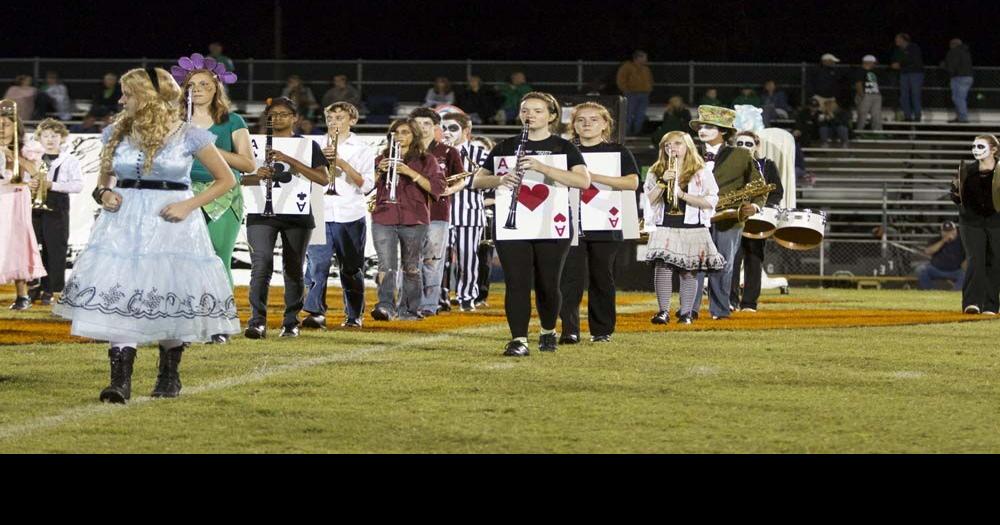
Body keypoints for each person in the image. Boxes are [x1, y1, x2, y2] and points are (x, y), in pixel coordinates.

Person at [53, 67, 240, 403]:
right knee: (122, 291)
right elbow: (103, 180)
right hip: (123, 223)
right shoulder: (116, 132)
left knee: (168, 289)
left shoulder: (188, 134)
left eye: (128, 93)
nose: (121, 100)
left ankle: (169, 375)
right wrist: (104, 194)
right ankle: (119, 382)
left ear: (148, 96)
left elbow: (226, 179)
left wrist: (188, 205)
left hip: (171, 221)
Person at [472, 92, 591, 356]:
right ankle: (519, 340)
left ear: (551, 116)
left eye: (538, 111)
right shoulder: (505, 147)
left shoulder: (564, 147)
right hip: (511, 225)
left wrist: (542, 167)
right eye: (526, 110)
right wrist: (501, 179)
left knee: (548, 283)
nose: (530, 115)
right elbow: (478, 180)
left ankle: (548, 330)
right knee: (516, 283)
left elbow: (583, 181)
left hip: (552, 224)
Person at [173, 54, 254, 344]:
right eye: (191, 85)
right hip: (183, 194)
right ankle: (186, 324)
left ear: (216, 88)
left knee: (219, 260)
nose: (197, 89)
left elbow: (248, 164)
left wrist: (206, 148)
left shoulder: (232, 121)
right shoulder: (175, 122)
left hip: (223, 194)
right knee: (182, 261)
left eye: (204, 84)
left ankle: (220, 324)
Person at [241, 97, 331, 339]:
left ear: (295, 118)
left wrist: (289, 159)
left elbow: (323, 179)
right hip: (260, 212)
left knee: (293, 268)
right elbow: (239, 178)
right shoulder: (251, 143)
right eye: (273, 114)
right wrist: (257, 176)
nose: (277, 118)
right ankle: (257, 321)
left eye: (283, 114)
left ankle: (291, 322)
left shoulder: (308, 145)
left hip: (297, 215)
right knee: (261, 265)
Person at [559, 102, 640, 343]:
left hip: (606, 222)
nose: (587, 124)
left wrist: (591, 177)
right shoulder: (563, 151)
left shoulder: (618, 151)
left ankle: (602, 330)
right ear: (573, 125)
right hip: (569, 222)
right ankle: (570, 330)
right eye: (581, 120)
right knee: (569, 279)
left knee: (602, 278)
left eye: (594, 119)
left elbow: (632, 183)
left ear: (605, 124)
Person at [302, 102, 375, 329]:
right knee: (316, 265)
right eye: (330, 118)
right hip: (319, 210)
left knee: (351, 268)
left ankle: (354, 315)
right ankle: (315, 312)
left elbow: (366, 186)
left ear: (352, 121)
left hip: (350, 214)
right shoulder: (314, 144)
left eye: (340, 118)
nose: (334, 123)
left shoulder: (363, 148)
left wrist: (341, 163)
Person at [688, 105, 765, 321]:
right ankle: (689, 310)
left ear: (723, 131)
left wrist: (755, 207)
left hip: (728, 218)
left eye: (709, 126)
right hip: (694, 216)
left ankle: (720, 310)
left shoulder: (741, 155)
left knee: (723, 265)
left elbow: (759, 186)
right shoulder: (689, 153)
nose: (702, 130)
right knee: (693, 264)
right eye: (701, 126)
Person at [645, 131, 724, 324]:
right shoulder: (656, 170)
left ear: (687, 146)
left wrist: (682, 195)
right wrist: (662, 182)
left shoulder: (701, 171)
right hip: (664, 225)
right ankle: (663, 311)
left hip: (692, 226)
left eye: (677, 144)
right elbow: (648, 200)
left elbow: (711, 200)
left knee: (689, 270)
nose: (671, 148)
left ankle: (686, 313)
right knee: (663, 268)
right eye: (667, 145)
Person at [370, 118, 445, 321]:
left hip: (415, 218)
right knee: (386, 265)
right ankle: (385, 306)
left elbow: (437, 188)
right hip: (384, 215)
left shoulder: (427, 160)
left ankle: (409, 310)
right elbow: (366, 187)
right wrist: (378, 171)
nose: (399, 136)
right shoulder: (381, 158)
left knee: (411, 267)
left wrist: (409, 172)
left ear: (414, 136)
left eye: (405, 132)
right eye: (395, 133)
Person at [408, 107, 465, 316]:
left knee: (432, 261)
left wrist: (449, 190)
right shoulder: (404, 150)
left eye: (427, 124)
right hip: (409, 212)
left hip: (438, 213)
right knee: (410, 262)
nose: (422, 128)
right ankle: (410, 304)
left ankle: (429, 306)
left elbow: (461, 179)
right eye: (418, 123)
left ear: (435, 127)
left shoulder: (449, 152)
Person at [26, 119, 83, 307]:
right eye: (46, 136)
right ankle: (33, 287)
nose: (50, 140)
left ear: (62, 137)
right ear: (39, 138)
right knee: (33, 248)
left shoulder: (70, 160)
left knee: (55, 248)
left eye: (54, 136)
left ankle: (51, 289)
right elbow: (24, 179)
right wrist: (30, 184)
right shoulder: (32, 158)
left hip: (57, 205)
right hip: (33, 206)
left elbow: (78, 185)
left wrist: (53, 185)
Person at [729, 131, 784, 312]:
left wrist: (759, 207)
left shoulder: (767, 165)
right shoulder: (727, 165)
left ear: (757, 146)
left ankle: (749, 303)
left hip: (758, 221)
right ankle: (731, 301)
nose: (744, 147)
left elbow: (777, 192)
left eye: (749, 144)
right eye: (740, 143)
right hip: (733, 219)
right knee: (732, 261)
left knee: (754, 260)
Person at [440, 113, 490, 311]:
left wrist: (463, 182)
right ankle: (440, 298)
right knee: (439, 260)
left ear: (466, 131)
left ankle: (467, 297)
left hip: (469, 213)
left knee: (467, 259)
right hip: (440, 214)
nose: (447, 132)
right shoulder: (435, 152)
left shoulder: (479, 154)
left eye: (453, 128)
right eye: (444, 128)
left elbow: (489, 183)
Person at [1, 110, 46, 309]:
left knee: (17, 243)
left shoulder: (26, 150)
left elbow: (36, 173)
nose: (1, 129)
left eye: (5, 125)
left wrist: (13, 156)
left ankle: (22, 295)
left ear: (15, 127)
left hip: (16, 200)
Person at [951, 135, 1000, 314]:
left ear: (993, 150)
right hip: (971, 222)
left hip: (996, 222)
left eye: (980, 146)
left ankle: (990, 305)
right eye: (974, 146)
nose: (975, 150)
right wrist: (955, 193)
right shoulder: (967, 171)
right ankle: (972, 303)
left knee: (995, 261)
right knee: (975, 260)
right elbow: (956, 196)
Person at [472, 135, 497, 308]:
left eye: (481, 149)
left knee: (484, 256)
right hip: (466, 215)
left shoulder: (496, 172)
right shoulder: (462, 169)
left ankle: (480, 294)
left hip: (487, 216)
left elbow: (498, 196)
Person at [917, 221, 965, 291]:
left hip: (955, 270)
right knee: (921, 270)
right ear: (941, 232)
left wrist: (965, 263)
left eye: (950, 231)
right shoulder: (936, 239)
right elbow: (928, 251)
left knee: (966, 274)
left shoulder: (962, 241)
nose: (948, 233)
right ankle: (929, 292)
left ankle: (954, 293)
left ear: (955, 231)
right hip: (936, 269)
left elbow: (970, 254)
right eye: (945, 231)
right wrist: (943, 241)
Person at [616, 50, 654, 135]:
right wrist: (626, 90)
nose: (646, 60)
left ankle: (637, 132)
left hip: (644, 94)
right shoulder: (627, 67)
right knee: (628, 114)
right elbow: (621, 79)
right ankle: (625, 133)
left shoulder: (646, 69)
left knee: (640, 115)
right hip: (632, 94)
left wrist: (649, 89)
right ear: (638, 58)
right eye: (644, 57)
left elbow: (650, 80)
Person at [891, 33, 924, 122]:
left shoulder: (914, 47)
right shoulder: (897, 50)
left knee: (915, 95)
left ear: (903, 39)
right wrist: (894, 65)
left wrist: (900, 64)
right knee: (903, 96)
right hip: (903, 74)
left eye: (897, 38)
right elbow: (895, 60)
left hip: (915, 73)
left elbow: (914, 60)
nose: (896, 40)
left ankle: (917, 116)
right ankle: (907, 116)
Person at [943, 38, 974, 123]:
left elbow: (952, 65)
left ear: (953, 44)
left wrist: (945, 67)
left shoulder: (954, 51)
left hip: (959, 77)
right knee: (959, 98)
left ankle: (963, 118)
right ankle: (960, 117)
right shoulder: (966, 51)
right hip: (968, 77)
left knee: (958, 98)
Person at [854, 55, 883, 132]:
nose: (874, 64)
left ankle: (877, 132)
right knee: (862, 114)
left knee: (876, 114)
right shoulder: (860, 71)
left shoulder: (874, 71)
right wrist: (862, 95)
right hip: (866, 95)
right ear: (868, 62)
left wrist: (878, 93)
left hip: (875, 94)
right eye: (873, 63)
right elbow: (858, 83)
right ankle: (859, 131)